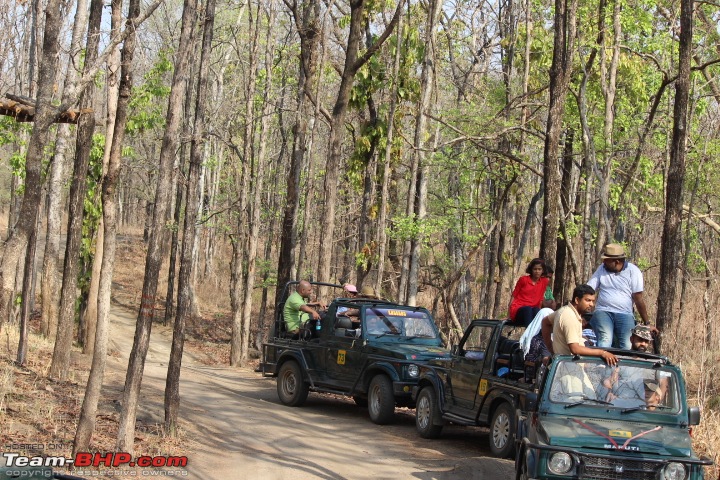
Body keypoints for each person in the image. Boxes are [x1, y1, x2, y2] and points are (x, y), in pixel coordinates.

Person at [587, 243, 649, 350]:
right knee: (605, 340)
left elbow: (638, 298)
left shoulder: (633, 271)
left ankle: (622, 367)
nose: (604, 262)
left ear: (617, 262)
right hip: (603, 311)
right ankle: (602, 366)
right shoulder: (602, 269)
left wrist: (646, 322)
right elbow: (589, 289)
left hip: (625, 313)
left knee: (627, 345)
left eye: (606, 260)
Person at [541, 284, 617, 366]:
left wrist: (551, 349)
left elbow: (545, 322)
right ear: (577, 300)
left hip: (572, 366)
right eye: (588, 300)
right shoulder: (568, 316)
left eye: (593, 301)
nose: (591, 304)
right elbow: (575, 349)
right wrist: (602, 353)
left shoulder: (565, 310)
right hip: (567, 370)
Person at [508, 258, 551, 327]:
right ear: (531, 269)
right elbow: (514, 295)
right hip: (519, 310)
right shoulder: (523, 280)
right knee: (528, 309)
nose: (537, 271)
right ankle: (529, 336)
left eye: (539, 269)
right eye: (535, 269)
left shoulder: (544, 281)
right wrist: (508, 315)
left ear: (542, 270)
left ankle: (538, 336)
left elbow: (540, 299)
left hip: (533, 309)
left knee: (537, 311)